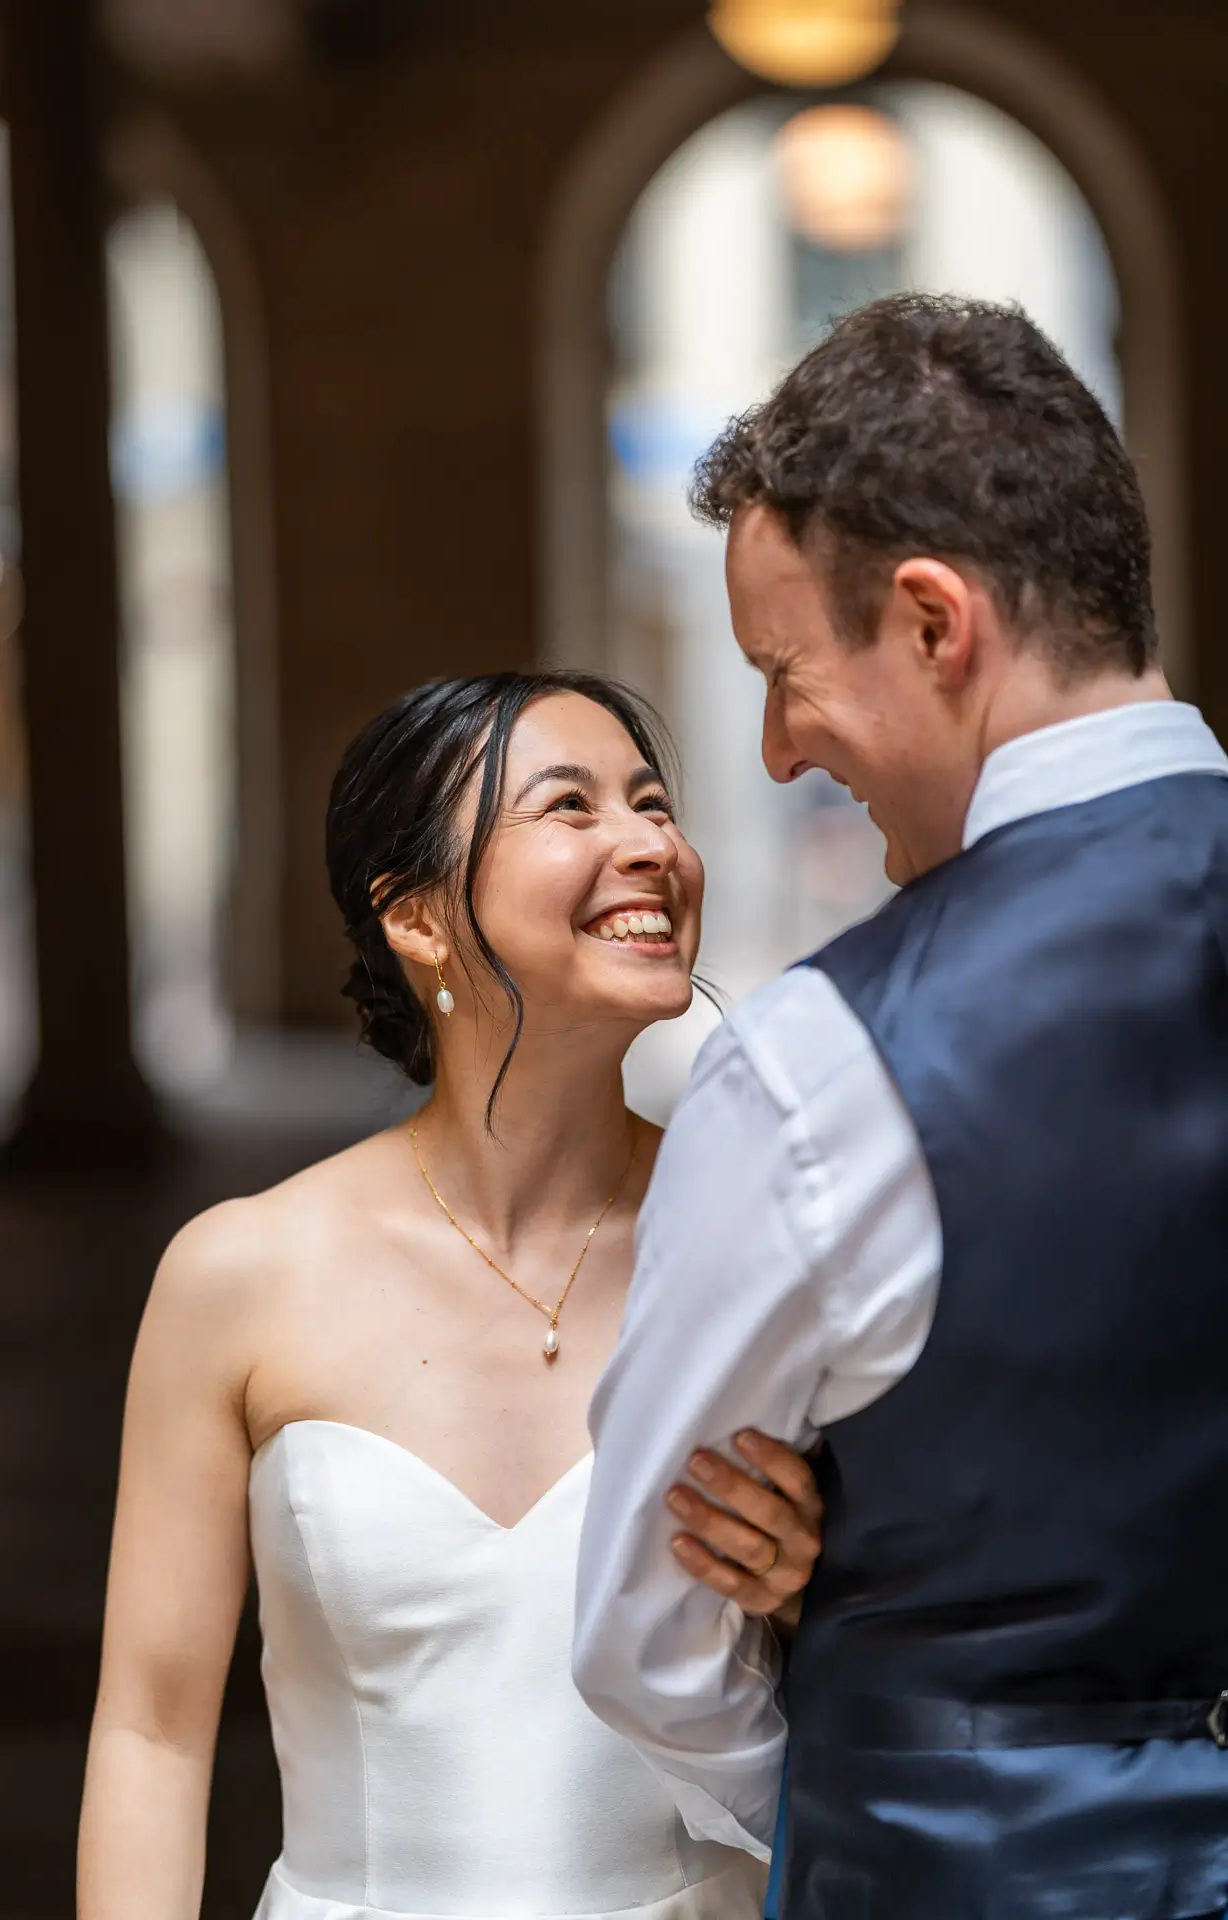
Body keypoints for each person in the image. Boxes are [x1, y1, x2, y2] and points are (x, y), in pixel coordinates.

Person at [573, 294, 1228, 1919]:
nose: (782, 748)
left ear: (936, 626)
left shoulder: (821, 1062)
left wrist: (830, 1676)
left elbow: (653, 1648)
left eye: (787, 673)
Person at [77, 670, 824, 1920]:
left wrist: (813, 1595)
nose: (649, 843)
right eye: (570, 808)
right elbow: (151, 1733)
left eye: (651, 804)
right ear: (417, 917)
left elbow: (924, 1669)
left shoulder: (774, 1239)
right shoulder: (239, 1274)